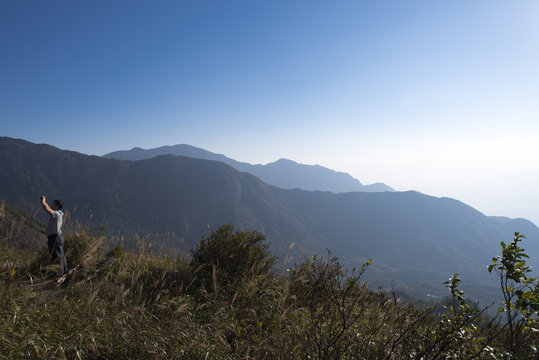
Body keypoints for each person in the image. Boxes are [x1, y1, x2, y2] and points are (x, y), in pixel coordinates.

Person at [40, 196, 68, 276]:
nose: (51, 205)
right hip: (54, 237)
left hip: (55, 237)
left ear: (57, 206)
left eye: (53, 204)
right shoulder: (57, 214)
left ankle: (59, 273)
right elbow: (48, 208)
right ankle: (64, 271)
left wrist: (43, 202)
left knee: (57, 256)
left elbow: (48, 209)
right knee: (60, 255)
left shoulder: (58, 213)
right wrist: (44, 203)